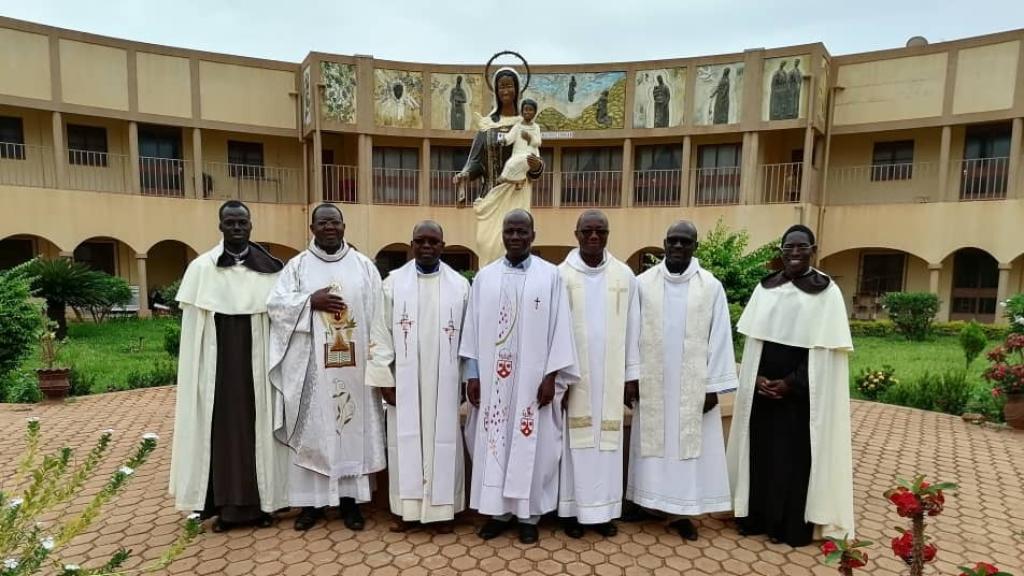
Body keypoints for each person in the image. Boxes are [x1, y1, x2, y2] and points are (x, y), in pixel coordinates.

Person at [727, 224, 855, 547]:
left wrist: (790, 384)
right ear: (781, 251)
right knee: (760, 456)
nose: (795, 253)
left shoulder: (826, 293)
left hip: (800, 398)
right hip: (762, 393)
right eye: (789, 247)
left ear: (813, 249)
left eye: (801, 247)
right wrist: (755, 378)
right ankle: (755, 517)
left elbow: (823, 355)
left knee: (792, 463)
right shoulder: (766, 287)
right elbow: (754, 343)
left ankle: (788, 527)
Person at [169, 200, 289, 532]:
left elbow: (282, 317)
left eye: (242, 223)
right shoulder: (202, 269)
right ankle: (222, 508)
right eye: (230, 223)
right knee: (218, 432)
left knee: (261, 429)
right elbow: (194, 333)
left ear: (251, 226)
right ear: (220, 226)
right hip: (217, 367)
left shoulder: (271, 267)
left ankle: (265, 505)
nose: (237, 228)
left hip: (257, 363)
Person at [461, 209, 579, 545]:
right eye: (509, 231)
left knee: (533, 447)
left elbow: (560, 330)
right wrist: (473, 375)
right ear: (503, 234)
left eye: (521, 232)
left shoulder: (550, 276)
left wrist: (551, 377)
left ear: (532, 235)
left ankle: (528, 515)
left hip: (532, 384)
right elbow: (472, 327)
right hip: (494, 384)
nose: (515, 237)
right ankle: (498, 512)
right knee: (494, 445)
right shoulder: (486, 277)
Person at [267, 203, 386, 532]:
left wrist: (378, 363)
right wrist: (309, 302)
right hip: (311, 369)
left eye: (335, 222)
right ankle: (311, 504)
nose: (329, 227)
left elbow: (379, 317)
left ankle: (351, 503)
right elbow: (275, 305)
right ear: (312, 228)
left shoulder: (364, 267)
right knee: (314, 429)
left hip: (356, 367)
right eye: (323, 223)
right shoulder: (297, 267)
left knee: (351, 429)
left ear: (344, 226)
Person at [624, 221, 737, 541]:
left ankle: (682, 511)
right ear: (663, 243)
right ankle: (645, 503)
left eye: (684, 242)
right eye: (672, 241)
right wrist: (631, 377)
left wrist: (713, 385)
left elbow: (720, 336)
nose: (677, 247)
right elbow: (631, 332)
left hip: (693, 385)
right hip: (653, 381)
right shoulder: (643, 283)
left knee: (686, 449)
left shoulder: (711, 286)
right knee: (651, 445)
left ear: (694, 246)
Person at [366, 220, 470, 532]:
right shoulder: (393, 283)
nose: (426, 247)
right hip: (405, 381)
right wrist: (384, 379)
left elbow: (468, 337)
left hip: (446, 380)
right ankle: (407, 510)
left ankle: (443, 511)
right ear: (411, 245)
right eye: (420, 241)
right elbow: (380, 331)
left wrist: (466, 379)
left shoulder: (460, 286)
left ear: (443, 245)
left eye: (433, 241)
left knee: (445, 443)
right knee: (405, 442)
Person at [556, 210, 640, 538]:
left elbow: (634, 328)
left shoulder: (624, 276)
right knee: (574, 443)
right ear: (576, 234)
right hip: (573, 376)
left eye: (601, 232)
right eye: (588, 232)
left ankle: (603, 513)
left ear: (608, 235)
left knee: (606, 445)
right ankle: (572, 511)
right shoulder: (561, 275)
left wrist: (631, 376)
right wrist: (558, 377)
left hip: (610, 376)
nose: (594, 237)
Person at [453, 67, 544, 267]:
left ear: (517, 89)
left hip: (517, 193)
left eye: (509, 86)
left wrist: (537, 166)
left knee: (515, 245)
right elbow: (476, 161)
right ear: (495, 90)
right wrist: (465, 174)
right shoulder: (486, 125)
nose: (505, 91)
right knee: (485, 244)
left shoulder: (526, 123)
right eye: (501, 86)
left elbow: (535, 157)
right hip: (491, 196)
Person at [497, 99, 542, 186]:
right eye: (525, 109)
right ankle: (519, 181)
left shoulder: (536, 127)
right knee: (512, 163)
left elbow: (538, 142)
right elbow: (510, 137)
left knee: (516, 163)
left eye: (530, 110)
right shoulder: (518, 126)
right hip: (517, 153)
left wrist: (530, 138)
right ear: (522, 111)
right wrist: (504, 140)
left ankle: (505, 177)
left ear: (535, 112)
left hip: (530, 154)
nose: (527, 112)